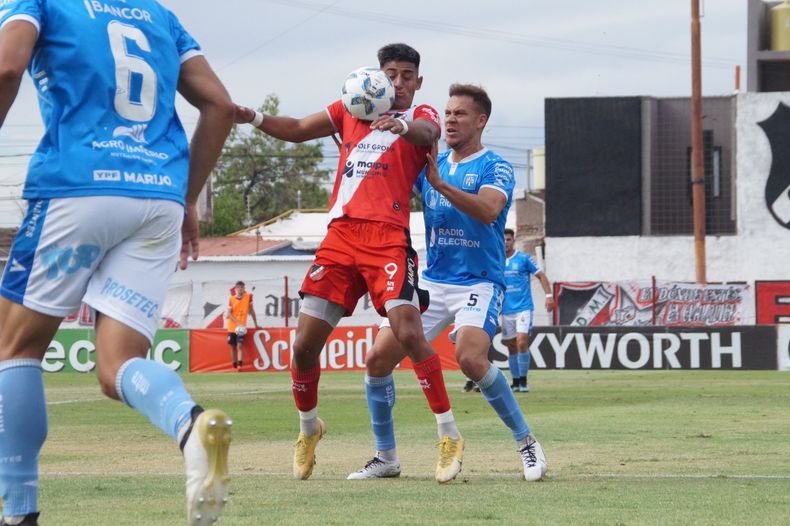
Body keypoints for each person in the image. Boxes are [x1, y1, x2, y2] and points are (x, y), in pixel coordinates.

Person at [0, 2, 235, 525]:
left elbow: (7, 67)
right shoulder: (158, 15)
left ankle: (19, 511)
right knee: (116, 367)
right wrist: (188, 198)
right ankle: (190, 424)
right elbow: (219, 104)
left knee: (14, 348)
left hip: (77, 189)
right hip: (157, 201)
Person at [235, 43, 463, 482]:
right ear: (377, 77)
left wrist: (399, 125)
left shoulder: (424, 115)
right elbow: (299, 127)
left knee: (410, 332)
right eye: (391, 74)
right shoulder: (351, 109)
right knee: (303, 347)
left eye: (407, 76)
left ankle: (449, 434)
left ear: (418, 82)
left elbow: (425, 135)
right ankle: (308, 430)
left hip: (387, 241)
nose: (398, 83)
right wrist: (256, 119)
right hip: (339, 239)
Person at [348, 84, 548, 482]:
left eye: (460, 114)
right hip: (432, 282)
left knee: (471, 358)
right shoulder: (429, 164)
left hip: (480, 281)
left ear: (481, 121)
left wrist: (440, 186)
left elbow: (490, 211)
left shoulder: (495, 167)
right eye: (447, 112)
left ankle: (527, 443)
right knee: (376, 361)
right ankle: (386, 457)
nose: (451, 120)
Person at [501, 229, 554, 393]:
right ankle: (515, 381)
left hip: (523, 308)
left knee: (521, 341)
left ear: (513, 240)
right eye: (503, 240)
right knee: (511, 346)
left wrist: (549, 295)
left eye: (508, 239)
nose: (506, 242)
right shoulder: (495, 260)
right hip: (505, 309)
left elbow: (541, 276)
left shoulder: (523, 259)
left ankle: (524, 381)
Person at [226, 281, 259, 370]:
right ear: (236, 289)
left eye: (242, 287)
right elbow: (228, 314)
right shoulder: (232, 299)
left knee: (240, 345)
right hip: (232, 327)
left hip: (241, 327)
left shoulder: (248, 297)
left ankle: (240, 366)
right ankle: (234, 366)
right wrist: (237, 322)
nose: (240, 289)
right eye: (238, 287)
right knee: (233, 347)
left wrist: (256, 324)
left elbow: (251, 311)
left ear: (244, 288)